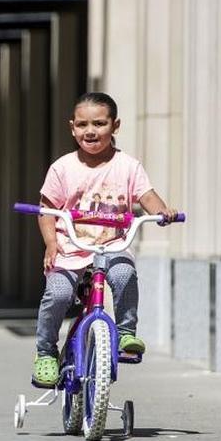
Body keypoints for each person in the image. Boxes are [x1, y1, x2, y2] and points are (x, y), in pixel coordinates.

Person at [29, 92, 178, 388]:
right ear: (72, 128)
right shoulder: (63, 168)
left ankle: (125, 334)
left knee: (124, 274)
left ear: (115, 125)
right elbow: (46, 211)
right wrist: (51, 244)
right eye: (82, 125)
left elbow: (146, 196)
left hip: (112, 245)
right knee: (57, 294)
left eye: (99, 123)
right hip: (72, 247)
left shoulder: (127, 166)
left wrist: (162, 211)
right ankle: (46, 352)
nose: (90, 131)